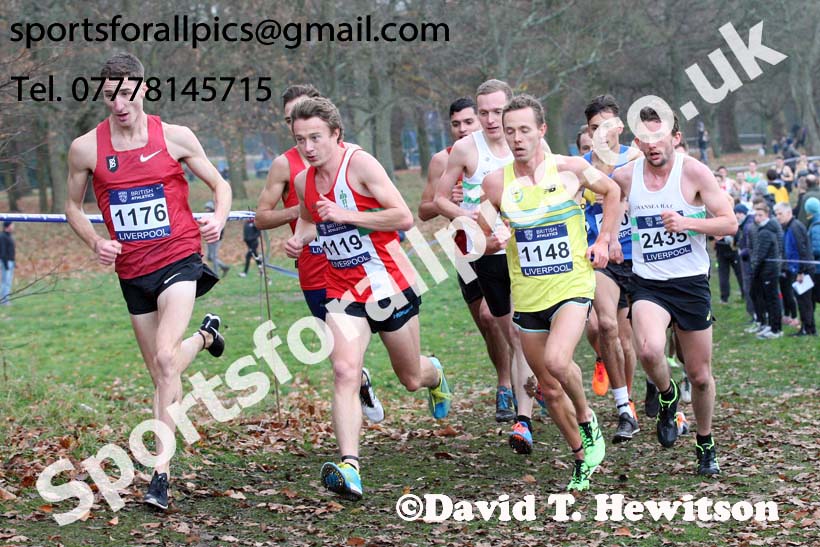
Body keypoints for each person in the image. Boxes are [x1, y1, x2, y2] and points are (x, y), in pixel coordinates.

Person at [64, 52, 231, 510]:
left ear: (142, 88)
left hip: (179, 258)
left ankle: (161, 473)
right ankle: (206, 336)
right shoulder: (86, 148)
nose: (119, 105)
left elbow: (220, 185)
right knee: (162, 371)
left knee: (163, 357)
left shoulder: (175, 137)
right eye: (109, 96)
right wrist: (94, 241)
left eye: (126, 94)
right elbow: (73, 207)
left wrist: (217, 219)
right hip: (132, 272)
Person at [285, 97, 452, 501]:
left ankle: (435, 374)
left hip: (386, 285)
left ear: (336, 135)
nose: (308, 147)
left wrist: (348, 216)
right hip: (341, 289)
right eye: (300, 139)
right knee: (344, 371)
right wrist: (299, 237)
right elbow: (311, 217)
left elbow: (402, 217)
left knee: (410, 377)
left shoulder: (360, 165)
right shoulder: (304, 180)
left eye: (316, 138)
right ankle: (350, 466)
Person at [480, 94, 617, 490]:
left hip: (573, 284)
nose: (517, 138)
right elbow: (475, 238)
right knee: (548, 387)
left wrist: (605, 239)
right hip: (528, 296)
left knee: (558, 362)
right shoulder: (496, 184)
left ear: (542, 130)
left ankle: (588, 418)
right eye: (510, 132)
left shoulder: (571, 169)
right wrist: (493, 239)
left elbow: (611, 193)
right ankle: (580, 455)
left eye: (525, 130)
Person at [611, 106, 737, 476]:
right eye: (644, 138)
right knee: (649, 349)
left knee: (699, 375)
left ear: (675, 138)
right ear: (636, 142)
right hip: (650, 283)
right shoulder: (626, 176)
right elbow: (593, 190)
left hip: (691, 283)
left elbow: (729, 222)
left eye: (659, 136)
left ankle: (704, 441)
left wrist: (688, 222)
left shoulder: (693, 172)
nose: (652, 145)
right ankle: (666, 396)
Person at [255, 85, 383, 423]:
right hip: (316, 269)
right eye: (291, 124)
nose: (302, 134)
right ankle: (359, 382)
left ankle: (415, 374)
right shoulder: (285, 165)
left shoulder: (349, 157)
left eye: (308, 123)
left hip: (367, 266)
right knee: (341, 356)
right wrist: (303, 210)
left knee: (404, 365)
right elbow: (261, 217)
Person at [433, 79, 537, 450]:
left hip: (529, 250)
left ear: (510, 109)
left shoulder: (526, 143)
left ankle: (526, 414)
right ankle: (523, 406)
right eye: (484, 112)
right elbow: (438, 199)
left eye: (498, 111)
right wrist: (469, 218)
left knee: (529, 333)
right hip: (489, 254)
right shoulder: (464, 150)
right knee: (512, 332)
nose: (491, 120)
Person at [418, 97, 513, 421]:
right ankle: (508, 379)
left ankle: (511, 384)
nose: (462, 128)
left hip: (502, 246)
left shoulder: (499, 150)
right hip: (464, 251)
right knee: (487, 323)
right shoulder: (442, 159)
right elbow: (425, 208)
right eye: (456, 123)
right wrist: (450, 202)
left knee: (496, 315)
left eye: (468, 122)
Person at [581, 94, 641, 443]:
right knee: (607, 326)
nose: (599, 135)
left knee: (635, 341)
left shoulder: (636, 160)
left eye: (605, 126)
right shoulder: (581, 168)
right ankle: (624, 408)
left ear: (618, 126)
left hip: (641, 257)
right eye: (592, 129)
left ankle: (648, 391)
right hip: (602, 259)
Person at [775, 203, 816, 336]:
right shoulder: (788, 227)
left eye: (780, 213)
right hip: (797, 270)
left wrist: (801, 272)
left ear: (788, 213)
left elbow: (802, 250)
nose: (777, 216)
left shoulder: (795, 227)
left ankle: (808, 329)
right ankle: (807, 328)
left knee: (804, 301)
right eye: (776, 214)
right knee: (802, 300)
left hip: (803, 271)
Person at [750, 201, 783, 339]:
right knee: (769, 300)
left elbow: (760, 255)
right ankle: (770, 325)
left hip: (769, 271)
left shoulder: (766, 231)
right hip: (766, 271)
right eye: (756, 215)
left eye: (760, 215)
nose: (757, 218)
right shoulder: (762, 229)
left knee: (772, 300)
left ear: (767, 215)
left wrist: (754, 271)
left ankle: (776, 329)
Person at [203, 200, 230, 277]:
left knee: (214, 257)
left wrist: (217, 236)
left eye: (208, 208)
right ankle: (224, 267)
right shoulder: (207, 216)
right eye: (206, 208)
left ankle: (215, 274)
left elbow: (220, 228)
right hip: (209, 238)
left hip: (216, 239)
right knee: (209, 257)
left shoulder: (217, 216)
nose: (206, 210)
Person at [0, 221, 15, 305]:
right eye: (12, 225)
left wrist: (14, 263)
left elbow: (11, 251)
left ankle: (6, 299)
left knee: (8, 281)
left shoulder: (9, 236)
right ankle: (4, 300)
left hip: (10, 261)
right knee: (5, 281)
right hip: (6, 262)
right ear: (8, 226)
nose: (13, 227)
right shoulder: (2, 236)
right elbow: (3, 251)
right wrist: (5, 264)